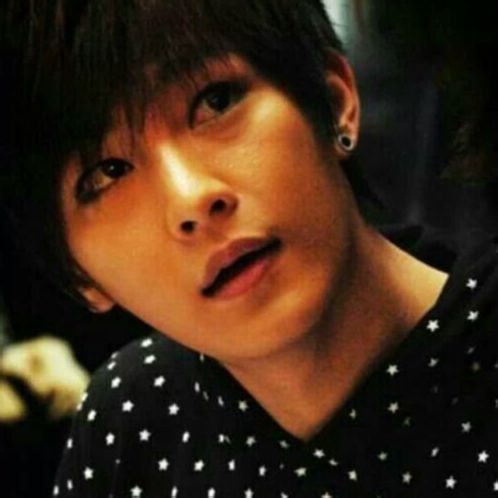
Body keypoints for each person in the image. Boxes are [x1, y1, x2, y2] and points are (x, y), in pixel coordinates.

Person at [1, 1, 497, 497]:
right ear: (77, 275)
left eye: (215, 101)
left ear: (334, 99)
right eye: (107, 172)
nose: (191, 199)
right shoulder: (132, 427)